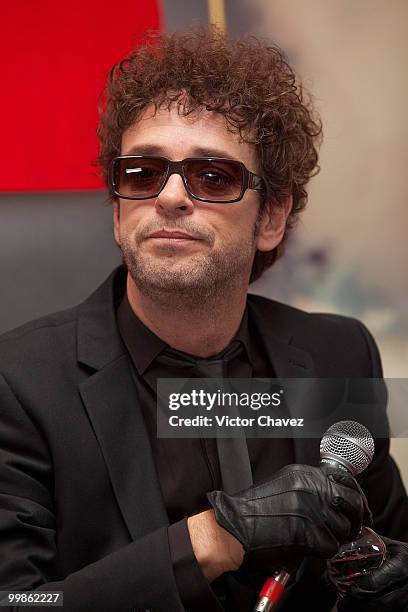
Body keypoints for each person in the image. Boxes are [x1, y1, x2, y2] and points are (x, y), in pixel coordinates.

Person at [0, 26, 407, 612]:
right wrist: (215, 537)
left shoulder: (338, 353)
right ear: (118, 211)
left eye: (214, 178)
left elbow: (390, 538)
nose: (168, 197)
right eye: (142, 174)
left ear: (271, 217)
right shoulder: (19, 383)